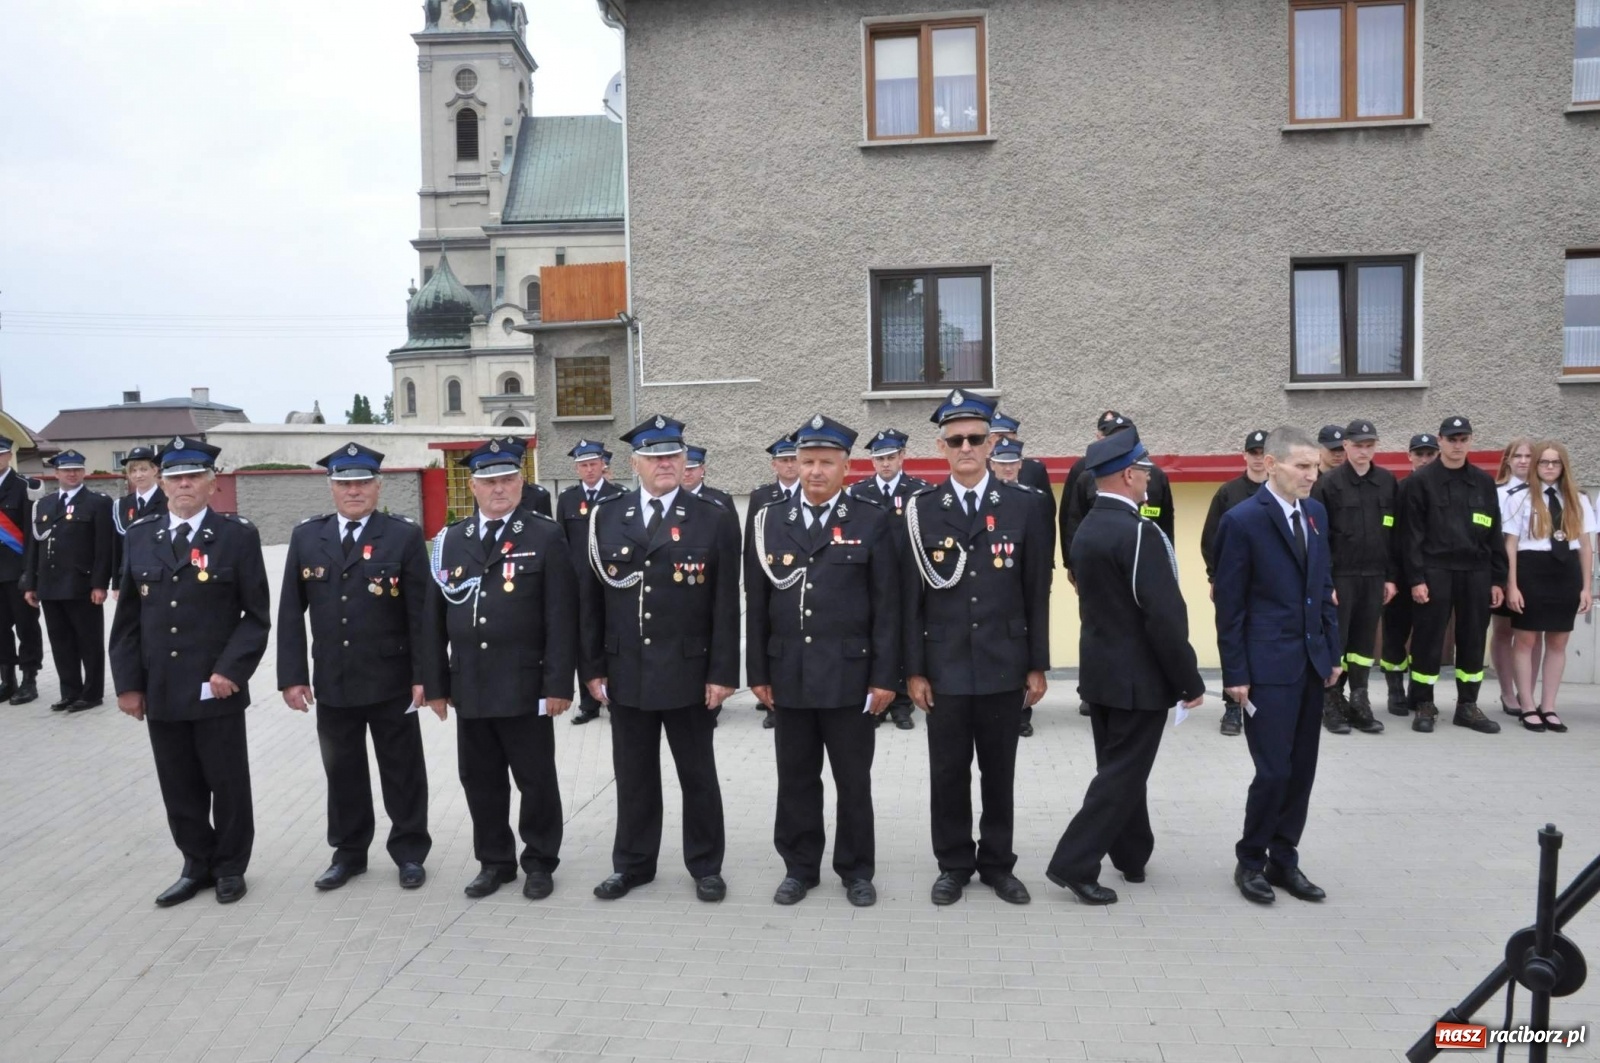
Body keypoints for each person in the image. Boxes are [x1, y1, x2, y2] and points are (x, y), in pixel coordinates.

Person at [578, 414, 740, 902]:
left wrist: (723, 673)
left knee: (698, 775)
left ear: (685, 459)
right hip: (626, 670)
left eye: (673, 455)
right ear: (635, 463)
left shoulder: (712, 516)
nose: (665, 463)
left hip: (690, 672)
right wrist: (592, 668)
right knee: (633, 776)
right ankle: (632, 864)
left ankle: (706, 865)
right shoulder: (607, 516)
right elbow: (591, 601)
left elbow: (726, 605)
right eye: (654, 456)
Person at [109, 437, 272, 906]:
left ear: (211, 482)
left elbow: (255, 615)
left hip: (215, 688)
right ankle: (195, 863)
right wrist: (128, 686)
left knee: (227, 782)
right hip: (160, 687)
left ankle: (230, 867)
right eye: (175, 476)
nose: (184, 484)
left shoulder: (237, 536)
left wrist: (231, 670)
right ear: (161, 482)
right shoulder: (141, 535)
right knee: (178, 783)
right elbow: (126, 624)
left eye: (193, 476)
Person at [1046, 427, 1204, 905]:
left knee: (1119, 769)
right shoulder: (1137, 533)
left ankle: (1132, 854)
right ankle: (1074, 863)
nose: (1150, 480)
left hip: (1101, 671)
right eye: (1146, 472)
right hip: (1139, 677)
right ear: (1130, 475)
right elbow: (1162, 616)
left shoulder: (1091, 526)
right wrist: (1188, 680)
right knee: (1121, 776)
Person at [902, 389, 1049, 907]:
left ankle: (998, 865)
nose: (966, 447)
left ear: (992, 443)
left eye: (976, 439)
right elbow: (910, 597)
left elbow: (1036, 589)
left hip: (1004, 663)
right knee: (947, 772)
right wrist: (913, 669)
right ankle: (953, 864)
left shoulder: (1024, 506)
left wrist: (1037, 663)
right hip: (942, 665)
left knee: (998, 771)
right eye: (955, 439)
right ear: (941, 447)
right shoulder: (920, 510)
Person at [746, 414, 898, 908]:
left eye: (825, 463)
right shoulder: (769, 518)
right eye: (805, 461)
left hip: (850, 676)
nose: (813, 471)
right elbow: (757, 601)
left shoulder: (871, 519)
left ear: (845, 466)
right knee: (795, 777)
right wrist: (758, 673)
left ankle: (856, 870)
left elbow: (887, 606)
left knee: (853, 780)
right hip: (788, 672)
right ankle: (799, 867)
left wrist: (884, 677)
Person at [423, 437, 576, 900]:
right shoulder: (450, 539)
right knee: (481, 780)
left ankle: (539, 861)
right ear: (473, 486)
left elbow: (561, 616)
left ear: (521, 481)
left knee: (535, 779)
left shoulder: (544, 535)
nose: (499, 488)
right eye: (489, 481)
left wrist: (557, 683)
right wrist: (435, 684)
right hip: (471, 684)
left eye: (508, 479)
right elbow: (432, 619)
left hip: (525, 684)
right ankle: (494, 861)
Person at [278, 443, 433, 891]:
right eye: (344, 483)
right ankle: (349, 853)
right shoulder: (308, 536)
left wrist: (424, 676)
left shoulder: (401, 534)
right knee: (342, 770)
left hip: (392, 678)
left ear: (378, 486)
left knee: (402, 769)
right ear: (331, 488)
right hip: (333, 678)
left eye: (362, 482)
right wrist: (292, 676)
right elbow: (291, 612)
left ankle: (409, 851)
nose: (354, 491)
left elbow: (420, 613)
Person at [1213, 426, 1341, 906]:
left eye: (1316, 466)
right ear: (1272, 464)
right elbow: (1231, 605)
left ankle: (1284, 859)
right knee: (1272, 771)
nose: (1313, 475)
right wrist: (1236, 675)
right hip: (1266, 668)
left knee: (1302, 770)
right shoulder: (1243, 520)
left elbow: (1323, 585)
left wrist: (1331, 652)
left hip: (1309, 663)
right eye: (1303, 466)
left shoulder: (1316, 515)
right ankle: (1250, 861)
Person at [1401, 416, 1507, 734]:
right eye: (1451, 439)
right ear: (1440, 441)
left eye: (1463, 439)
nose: (1457, 445)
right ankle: (1424, 703)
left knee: (1473, 639)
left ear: (1470, 441)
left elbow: (1494, 534)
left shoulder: (1484, 482)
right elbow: (1411, 535)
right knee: (1428, 640)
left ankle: (1467, 706)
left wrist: (1498, 579)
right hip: (1435, 571)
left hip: (1475, 571)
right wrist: (1416, 578)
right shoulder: (1422, 481)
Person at [1308, 419, 1393, 736]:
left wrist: (1391, 577)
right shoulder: (1328, 485)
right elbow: (1318, 538)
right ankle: (1331, 700)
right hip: (1340, 576)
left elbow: (1393, 533)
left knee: (1363, 643)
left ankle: (1359, 699)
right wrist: (1325, 583)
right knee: (1337, 641)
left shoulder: (1386, 482)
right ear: (1346, 447)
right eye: (1358, 445)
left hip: (1374, 575)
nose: (1363, 451)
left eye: (1369, 445)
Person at [1504, 441, 1594, 733]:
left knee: (1558, 642)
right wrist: (1512, 585)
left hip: (1565, 572)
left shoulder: (1577, 499)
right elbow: (1511, 545)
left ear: (1564, 466)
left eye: (1556, 463)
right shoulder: (1520, 498)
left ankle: (1549, 706)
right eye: (1544, 462)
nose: (1550, 467)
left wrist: (1585, 587)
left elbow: (1585, 546)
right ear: (1536, 466)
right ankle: (1527, 705)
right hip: (1531, 569)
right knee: (1526, 640)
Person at [847, 427, 930, 732]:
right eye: (879, 458)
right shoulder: (858, 492)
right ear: (872, 462)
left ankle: (903, 704)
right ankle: (877, 702)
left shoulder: (919, 491)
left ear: (902, 457)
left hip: (907, 577)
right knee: (876, 637)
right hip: (870, 579)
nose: (885, 464)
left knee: (906, 635)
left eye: (891, 457)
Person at [22, 449, 114, 711]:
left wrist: (99, 584)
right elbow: (34, 546)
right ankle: (70, 691)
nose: (72, 474)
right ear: (56, 473)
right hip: (50, 585)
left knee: (89, 641)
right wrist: (31, 583)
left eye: (76, 469)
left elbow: (103, 548)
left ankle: (92, 693)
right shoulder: (45, 504)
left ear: (84, 472)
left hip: (81, 585)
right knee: (61, 642)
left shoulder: (98, 502)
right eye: (66, 470)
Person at [1199, 429, 1269, 736]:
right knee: (1232, 642)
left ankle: (1264, 705)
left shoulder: (1281, 494)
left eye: (1262, 453)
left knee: (1266, 644)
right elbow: (1210, 540)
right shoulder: (1228, 493)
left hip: (1269, 588)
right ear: (1245, 456)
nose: (1256, 459)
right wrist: (1215, 577)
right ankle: (1231, 708)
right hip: (1233, 586)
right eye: (1252, 453)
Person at [555, 440, 625, 726]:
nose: (589, 469)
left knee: (615, 639)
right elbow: (560, 543)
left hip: (613, 580)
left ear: (603, 465)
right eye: (583, 465)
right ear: (577, 469)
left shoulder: (619, 495)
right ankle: (589, 703)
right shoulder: (567, 499)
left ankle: (617, 698)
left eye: (593, 464)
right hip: (581, 583)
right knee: (584, 641)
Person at [991, 437, 1055, 737]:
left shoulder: (1035, 499)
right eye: (1001, 463)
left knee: (1024, 646)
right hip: (997, 582)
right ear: (992, 465)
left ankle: (1022, 712)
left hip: (1025, 583)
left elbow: (1042, 543)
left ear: (1020, 464)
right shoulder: (986, 500)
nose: (1006, 468)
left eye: (1011, 463)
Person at [1061, 412, 1175, 577]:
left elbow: (1166, 525)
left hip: (1146, 562)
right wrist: (1073, 566)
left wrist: (1167, 565)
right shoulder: (1085, 474)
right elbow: (1072, 521)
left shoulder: (1155, 476)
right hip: (1101, 565)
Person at [1378, 434, 1439, 717]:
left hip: (1433, 575)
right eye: (1420, 454)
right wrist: (1390, 575)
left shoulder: (1442, 490)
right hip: (1401, 575)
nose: (1425, 460)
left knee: (1427, 635)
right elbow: (1390, 535)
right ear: (1409, 457)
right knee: (1395, 634)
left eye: (1430, 454)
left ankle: (1420, 692)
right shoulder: (1399, 489)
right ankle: (1395, 690)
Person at [746, 435, 802, 728]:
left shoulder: (811, 492)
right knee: (768, 640)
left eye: (794, 459)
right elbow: (751, 546)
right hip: (769, 578)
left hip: (797, 583)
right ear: (774, 465)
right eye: (784, 460)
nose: (790, 465)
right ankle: (772, 706)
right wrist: (752, 584)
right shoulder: (761, 496)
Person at [1490, 438, 1536, 716]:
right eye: (1517, 456)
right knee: (1504, 630)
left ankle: (1527, 691)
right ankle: (1508, 692)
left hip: (1534, 570)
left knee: (1533, 633)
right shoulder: (1498, 493)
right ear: (1507, 460)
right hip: (1504, 568)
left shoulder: (1544, 493)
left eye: (1529, 456)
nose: (1522, 461)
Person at [0, 436, 43, 705]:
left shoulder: (26, 488)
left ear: (8, 456)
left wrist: (32, 574)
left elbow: (33, 536)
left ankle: (29, 679)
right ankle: (8, 679)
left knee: (27, 627)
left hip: (18, 572)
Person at [110, 445, 166, 599]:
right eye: (133, 471)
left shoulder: (169, 501)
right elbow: (117, 547)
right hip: (130, 576)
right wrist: (116, 583)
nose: (138, 475)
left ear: (154, 470)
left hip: (162, 575)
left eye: (143, 469)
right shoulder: (121, 505)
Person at [989, 411, 1056, 520]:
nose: (998, 440)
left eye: (1002, 436)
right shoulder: (981, 470)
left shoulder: (1034, 469)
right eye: (993, 436)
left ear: (1014, 436)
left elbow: (1047, 511)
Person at [683, 445, 737, 512]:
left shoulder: (721, 500)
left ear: (702, 469)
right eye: (683, 469)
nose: (686, 474)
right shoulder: (669, 499)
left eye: (691, 469)